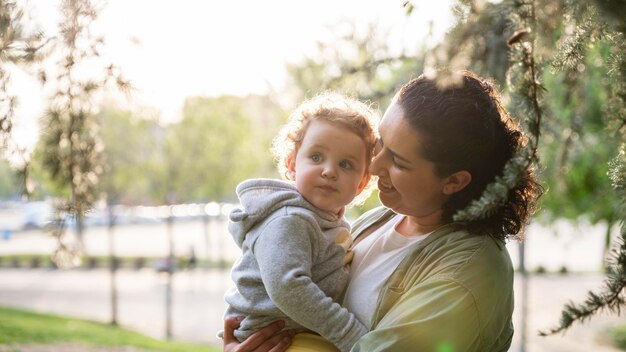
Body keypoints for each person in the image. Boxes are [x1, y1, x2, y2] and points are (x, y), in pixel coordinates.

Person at [223, 69, 542, 352]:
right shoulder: (378, 220)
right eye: (380, 146)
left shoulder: (468, 273)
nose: (373, 166)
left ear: (454, 181)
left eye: (399, 161)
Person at [222, 92, 379, 352]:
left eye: (345, 164)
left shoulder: (331, 223)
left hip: (298, 331)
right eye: (316, 157)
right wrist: (351, 334)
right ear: (292, 164)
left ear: (362, 183)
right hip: (271, 337)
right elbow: (287, 286)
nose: (329, 171)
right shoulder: (289, 219)